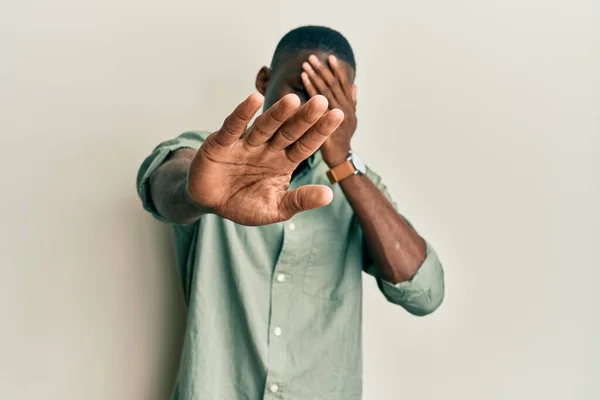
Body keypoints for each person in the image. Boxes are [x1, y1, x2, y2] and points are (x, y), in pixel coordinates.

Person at [137, 25, 445, 400]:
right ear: (264, 80)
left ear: (352, 103)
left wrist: (343, 161)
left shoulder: (359, 187)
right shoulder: (211, 157)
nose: (315, 109)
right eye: (300, 90)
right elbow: (161, 188)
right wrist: (194, 192)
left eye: (331, 97)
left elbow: (424, 293)